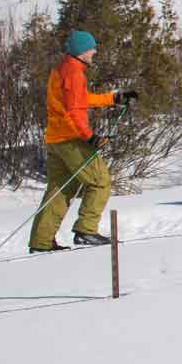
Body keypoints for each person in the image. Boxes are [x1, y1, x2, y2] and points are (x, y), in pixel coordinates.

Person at [29, 30, 139, 253]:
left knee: (59, 190)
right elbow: (72, 111)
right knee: (100, 181)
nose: (94, 52)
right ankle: (86, 230)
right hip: (71, 139)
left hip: (56, 139)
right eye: (92, 48)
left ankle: (41, 242)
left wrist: (113, 98)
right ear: (81, 51)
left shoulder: (64, 69)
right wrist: (90, 137)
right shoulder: (73, 73)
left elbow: (80, 99)